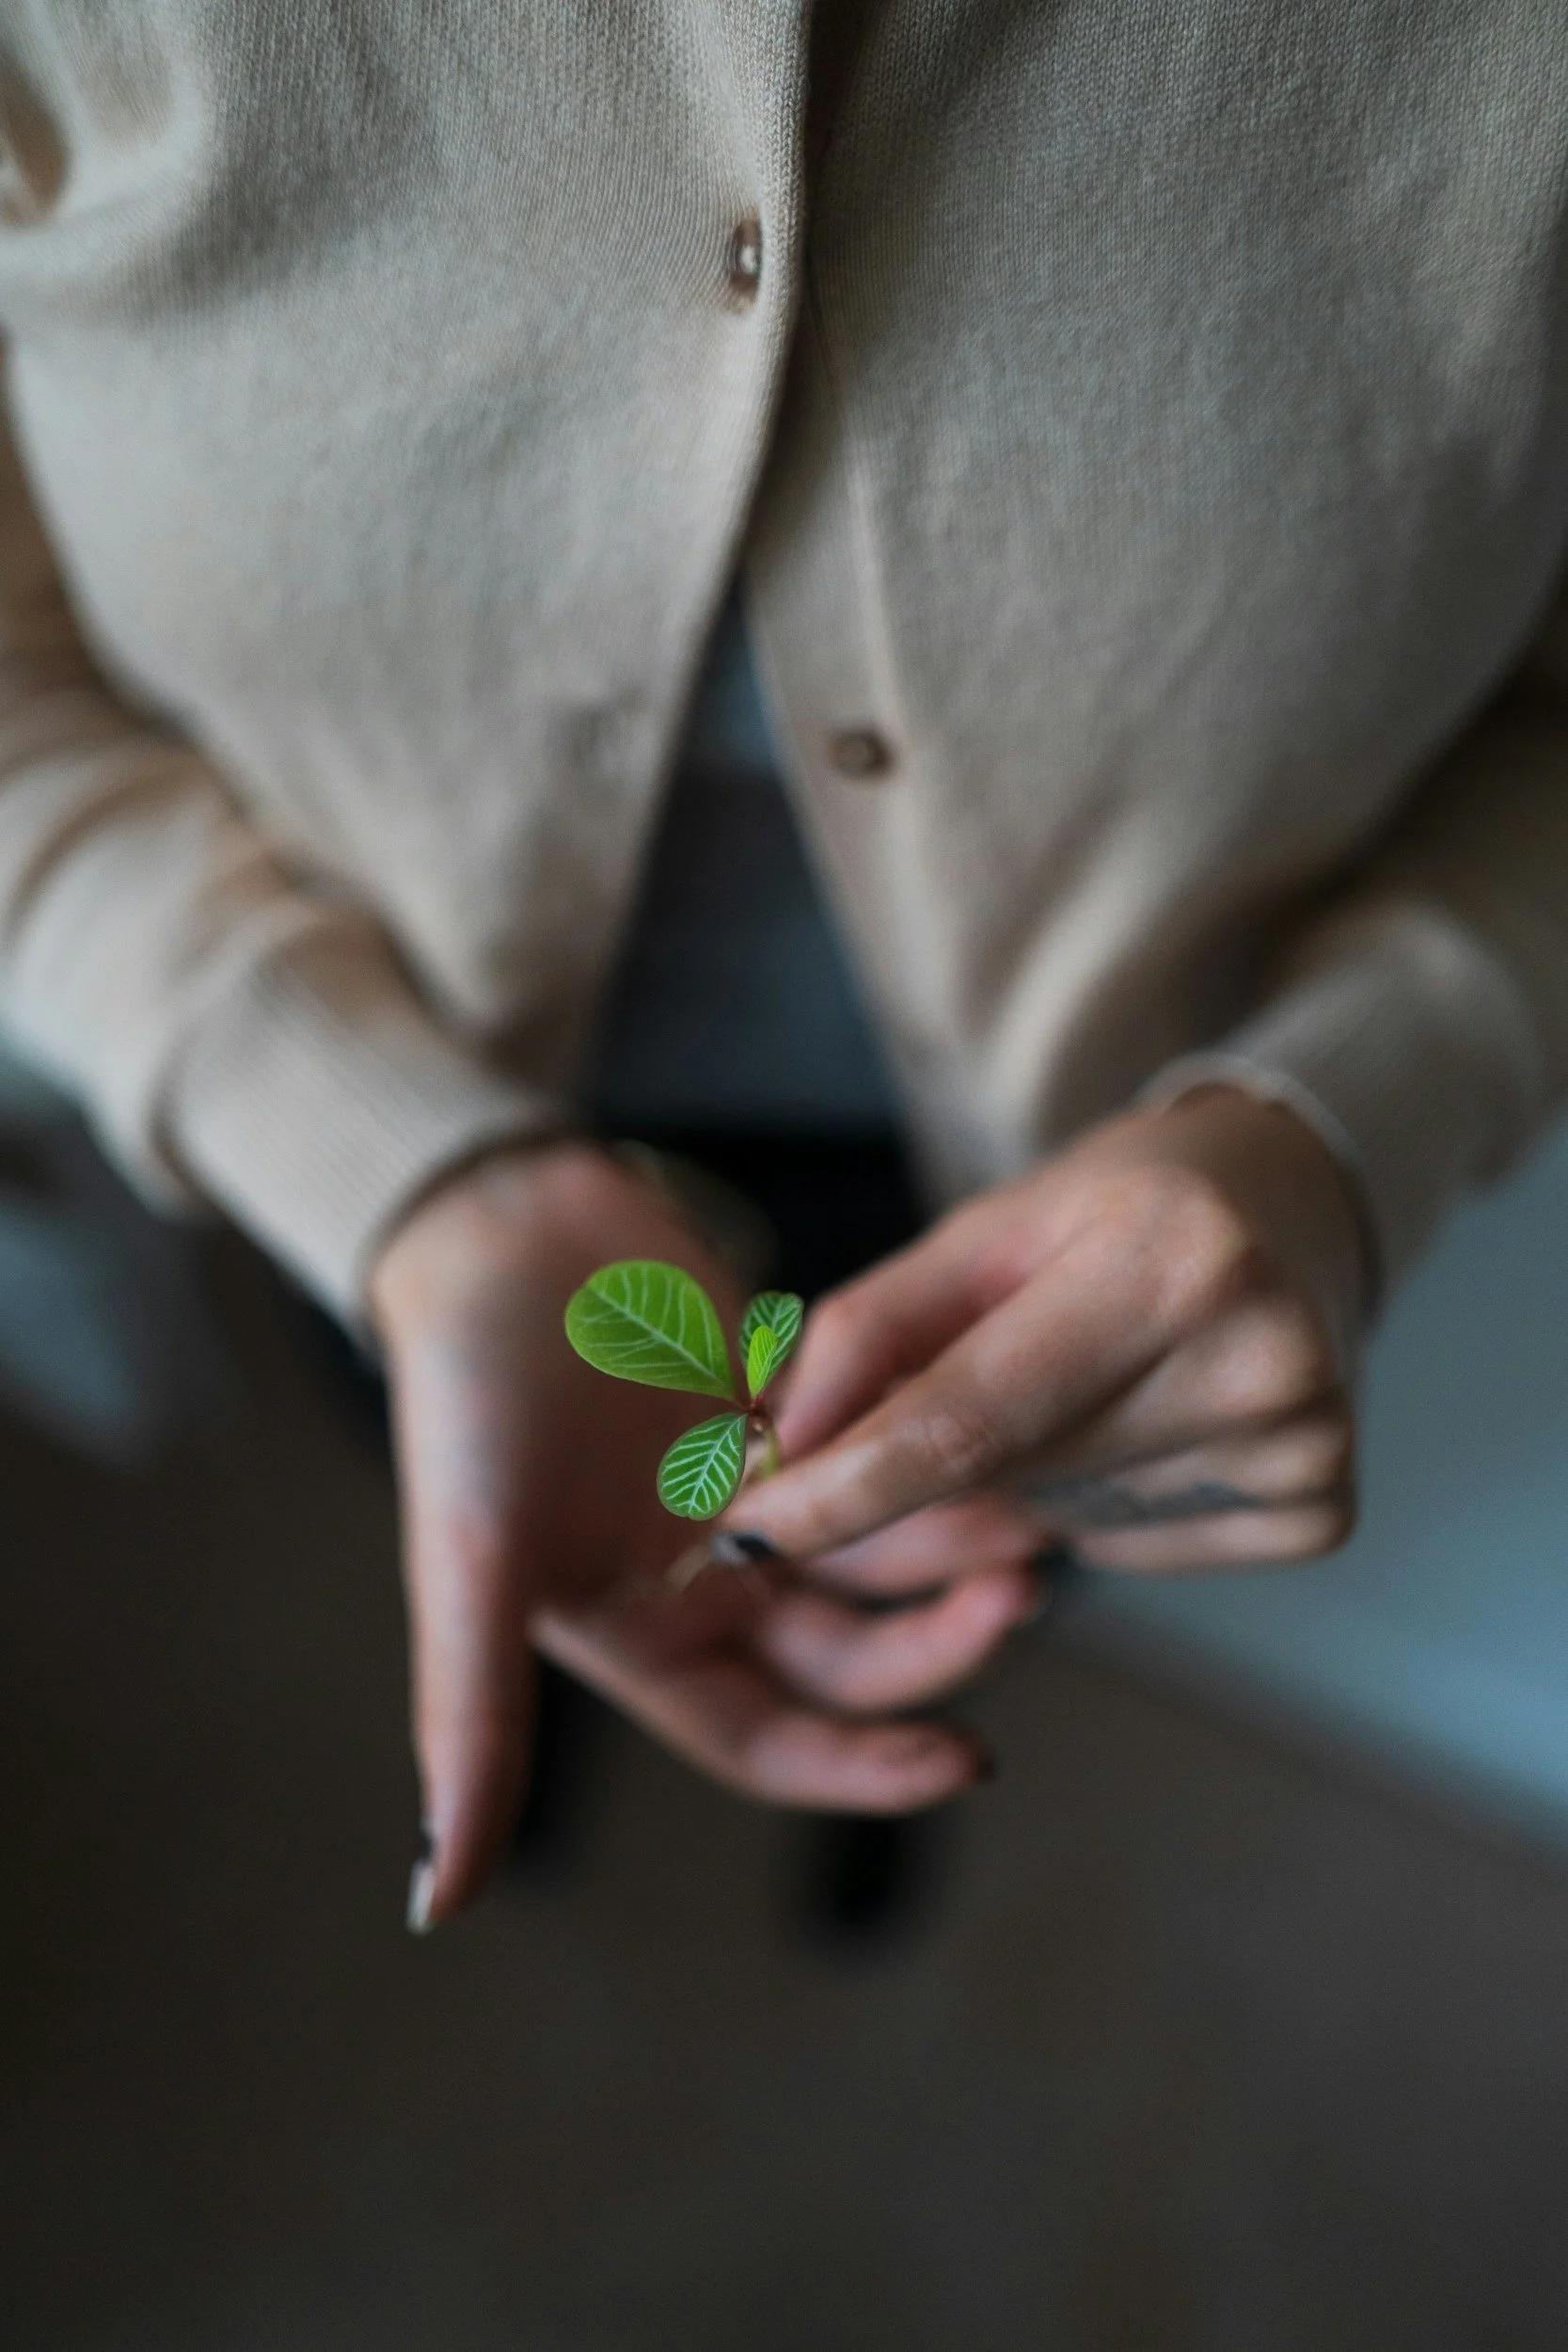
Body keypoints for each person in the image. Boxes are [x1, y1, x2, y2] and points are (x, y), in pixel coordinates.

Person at [1, 6, 1565, 1932]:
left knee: (938, 1593)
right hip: (392, 1157)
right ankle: (560, 1773)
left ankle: (876, 1816)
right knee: (523, 1573)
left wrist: (1340, 1114)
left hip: (1089, 1219)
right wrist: (365, 1152)